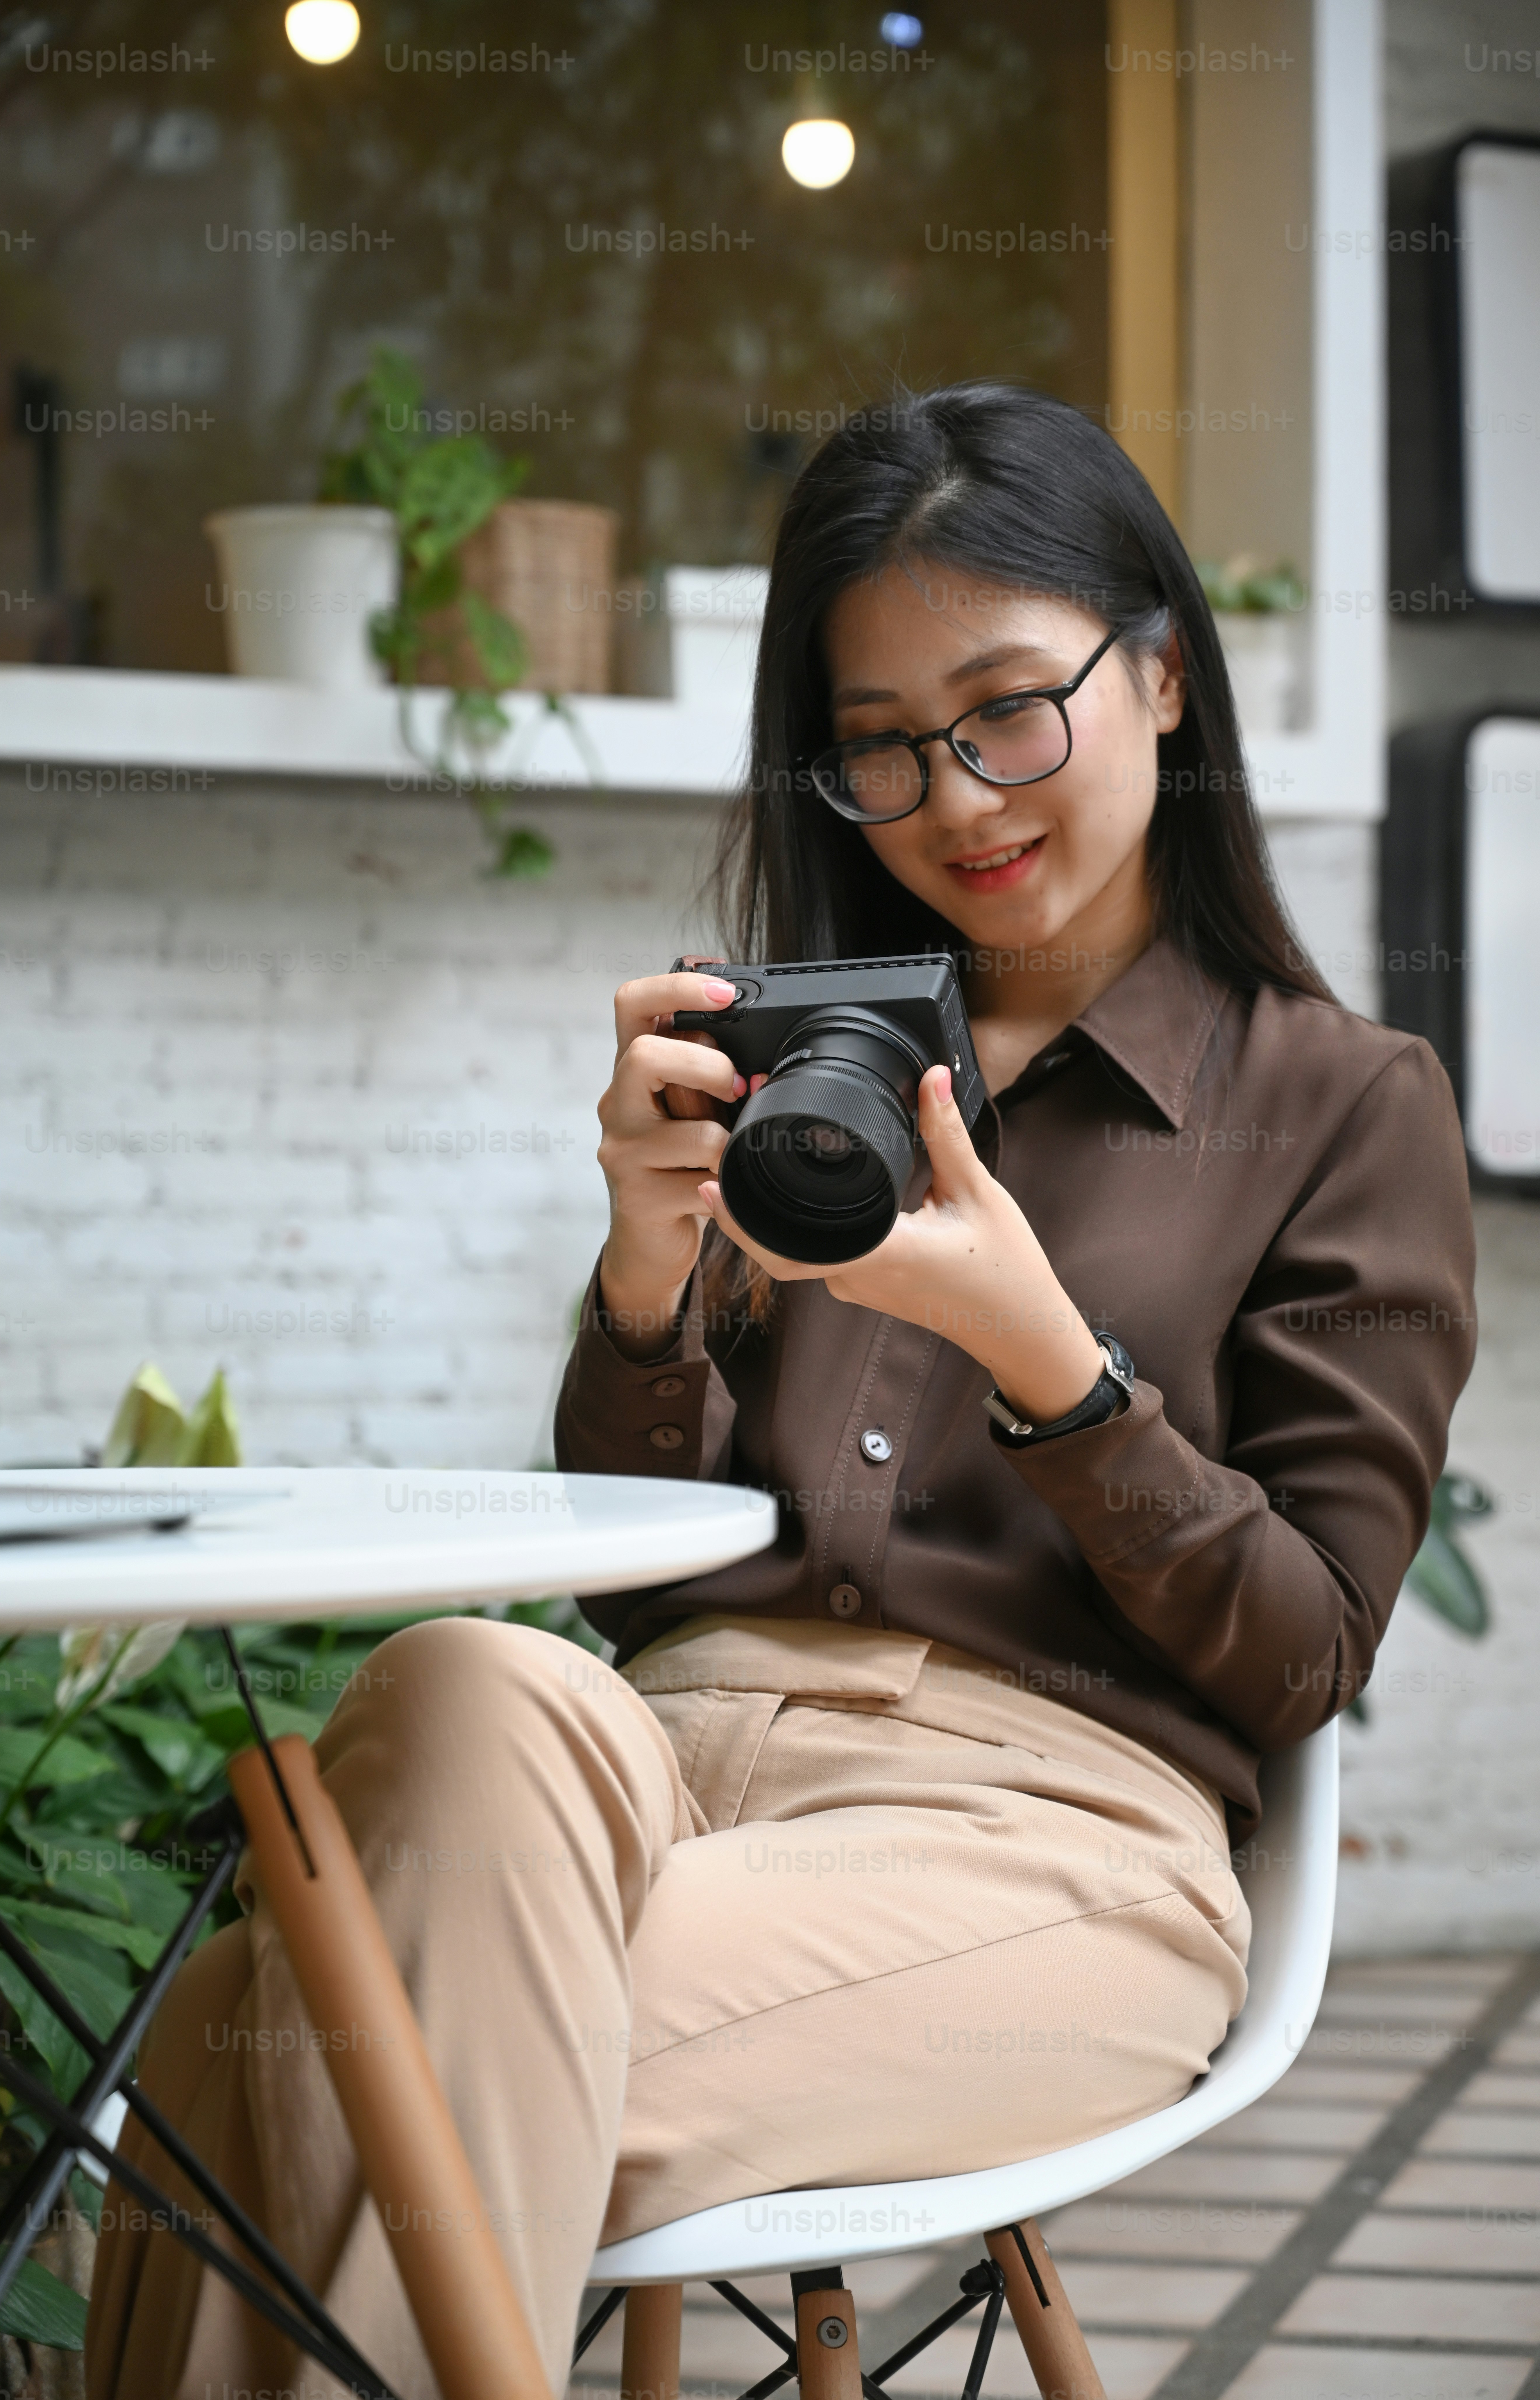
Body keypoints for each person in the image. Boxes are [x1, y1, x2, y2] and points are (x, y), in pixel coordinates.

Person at [86, 384, 1475, 2400]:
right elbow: (641, 1600)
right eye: (882, 748)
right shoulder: (804, 1077)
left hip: (1039, 1836)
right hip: (656, 1770)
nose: (958, 799)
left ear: (1164, 675)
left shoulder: (1345, 1106)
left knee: (256, 2051)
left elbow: (1306, 1658)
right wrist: (649, 1285)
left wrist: (1050, 1362)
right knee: (473, 1678)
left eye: (1009, 709)